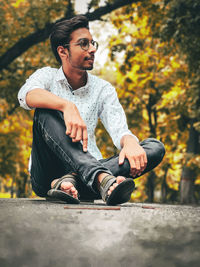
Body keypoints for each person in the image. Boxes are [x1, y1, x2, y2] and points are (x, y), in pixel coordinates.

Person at [18, 15, 165, 205]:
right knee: (44, 109)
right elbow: (26, 95)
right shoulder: (47, 76)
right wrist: (66, 106)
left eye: (92, 43)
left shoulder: (103, 89)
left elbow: (119, 129)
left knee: (154, 148)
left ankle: (72, 183)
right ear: (63, 51)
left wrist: (129, 142)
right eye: (84, 44)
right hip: (46, 175)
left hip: (86, 169)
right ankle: (100, 180)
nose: (93, 49)